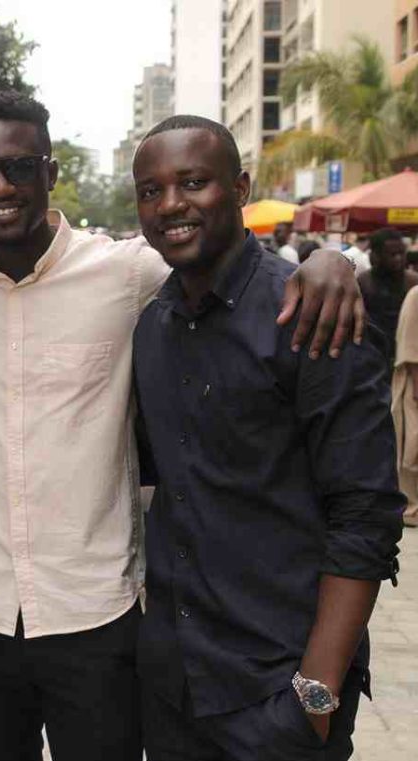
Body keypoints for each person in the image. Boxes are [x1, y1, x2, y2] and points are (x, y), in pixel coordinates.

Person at [0, 90, 363, 761]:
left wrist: (330, 262)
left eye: (20, 167)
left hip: (97, 619)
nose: (0, 188)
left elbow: (227, 259)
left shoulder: (125, 271)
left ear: (52, 170)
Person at [132, 115, 402, 761]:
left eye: (193, 182)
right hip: (174, 688)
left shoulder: (311, 314)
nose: (171, 204)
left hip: (277, 693)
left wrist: (315, 696)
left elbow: (366, 517)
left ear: (239, 187)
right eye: (150, 190)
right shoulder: (152, 327)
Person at [358, 227, 418, 370]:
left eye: (401, 253)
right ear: (377, 255)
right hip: (373, 356)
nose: (398, 258)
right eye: (392, 254)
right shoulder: (363, 282)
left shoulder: (413, 283)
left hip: (407, 355)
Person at [393, 285, 418, 527]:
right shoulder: (415, 295)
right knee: (412, 447)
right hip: (414, 384)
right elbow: (410, 343)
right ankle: (412, 507)